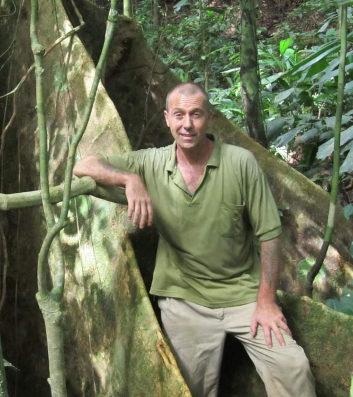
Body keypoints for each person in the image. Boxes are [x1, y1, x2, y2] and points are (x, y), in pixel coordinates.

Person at [73, 83, 315, 397]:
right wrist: (129, 178)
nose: (187, 124)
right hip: (184, 299)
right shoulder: (150, 163)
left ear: (209, 117)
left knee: (293, 368)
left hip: (245, 294)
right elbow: (83, 166)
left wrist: (266, 302)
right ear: (167, 119)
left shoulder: (240, 163)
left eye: (196, 114)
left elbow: (270, 233)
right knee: (187, 387)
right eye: (179, 115)